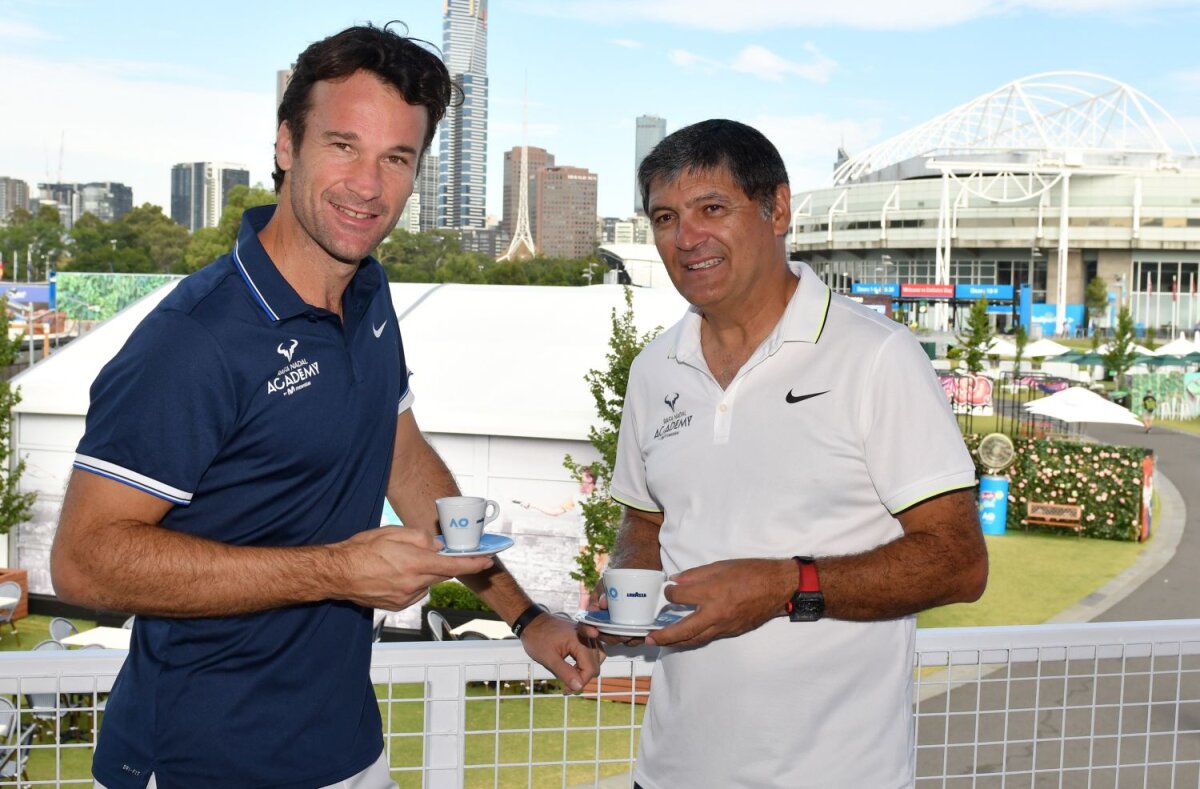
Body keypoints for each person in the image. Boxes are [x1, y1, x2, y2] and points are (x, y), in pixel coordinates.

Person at [50, 24, 601, 789]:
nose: (368, 185)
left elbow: (404, 459)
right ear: (286, 144)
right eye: (344, 145)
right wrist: (337, 570)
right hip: (202, 762)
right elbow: (82, 563)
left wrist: (525, 614)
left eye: (396, 158)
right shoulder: (195, 338)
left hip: (347, 749)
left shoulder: (369, 293)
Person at [581, 119, 988, 788]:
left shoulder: (877, 356)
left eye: (712, 208)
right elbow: (644, 522)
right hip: (668, 771)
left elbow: (959, 563)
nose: (686, 238)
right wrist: (625, 590)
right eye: (665, 217)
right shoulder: (654, 368)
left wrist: (782, 587)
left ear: (777, 209)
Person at [517, 466, 597, 516]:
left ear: (590, 479)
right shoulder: (576, 497)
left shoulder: (602, 498)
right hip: (583, 538)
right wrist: (531, 504)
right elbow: (554, 512)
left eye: (581, 480)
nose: (579, 483)